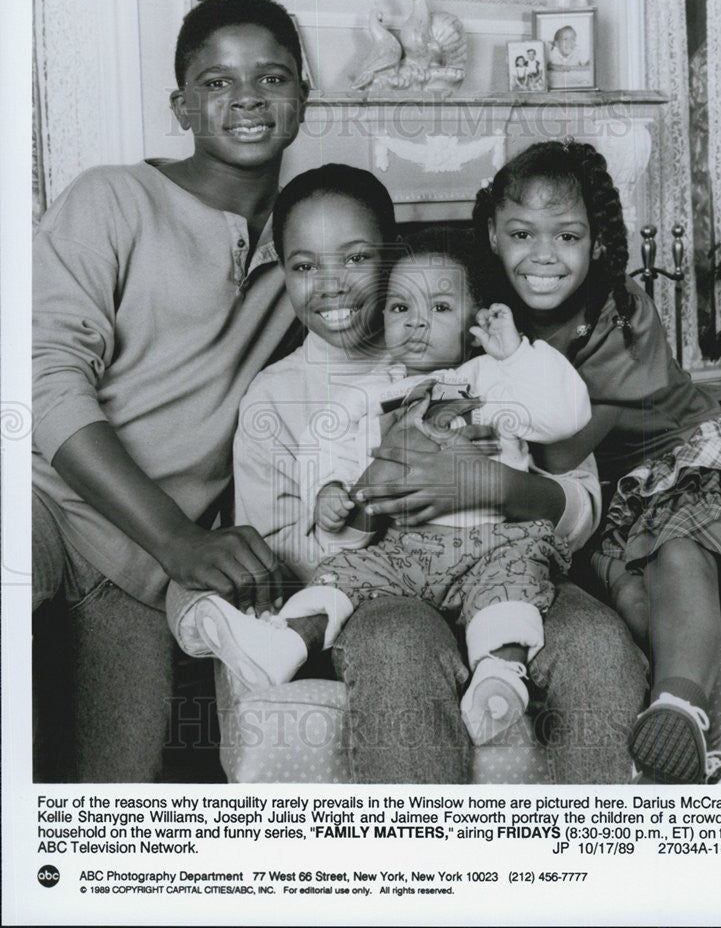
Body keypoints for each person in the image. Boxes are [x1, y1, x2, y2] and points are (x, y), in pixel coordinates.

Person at [168, 163, 649, 784]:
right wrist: (376, 487)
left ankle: (599, 865)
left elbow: (580, 501)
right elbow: (289, 555)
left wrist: (488, 486)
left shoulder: (492, 359)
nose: (334, 286)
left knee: (597, 643)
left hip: (512, 565)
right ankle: (418, 865)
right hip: (383, 590)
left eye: (358, 259)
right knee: (398, 645)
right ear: (281, 272)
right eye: (305, 266)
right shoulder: (280, 397)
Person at [32, 0, 309, 782]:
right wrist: (181, 540)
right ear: (181, 104)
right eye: (217, 82)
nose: (248, 97)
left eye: (272, 76)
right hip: (46, 503)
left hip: (142, 573)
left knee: (118, 798)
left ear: (302, 96)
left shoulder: (310, 242)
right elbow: (44, 382)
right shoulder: (111, 196)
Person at [472, 139, 721, 784]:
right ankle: (679, 753)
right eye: (520, 233)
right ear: (492, 235)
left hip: (681, 457)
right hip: (612, 492)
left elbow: (561, 446)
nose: (541, 256)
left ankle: (682, 705)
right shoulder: (491, 311)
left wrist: (504, 376)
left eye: (565, 234)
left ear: (596, 244)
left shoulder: (618, 311)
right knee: (625, 590)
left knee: (676, 549)